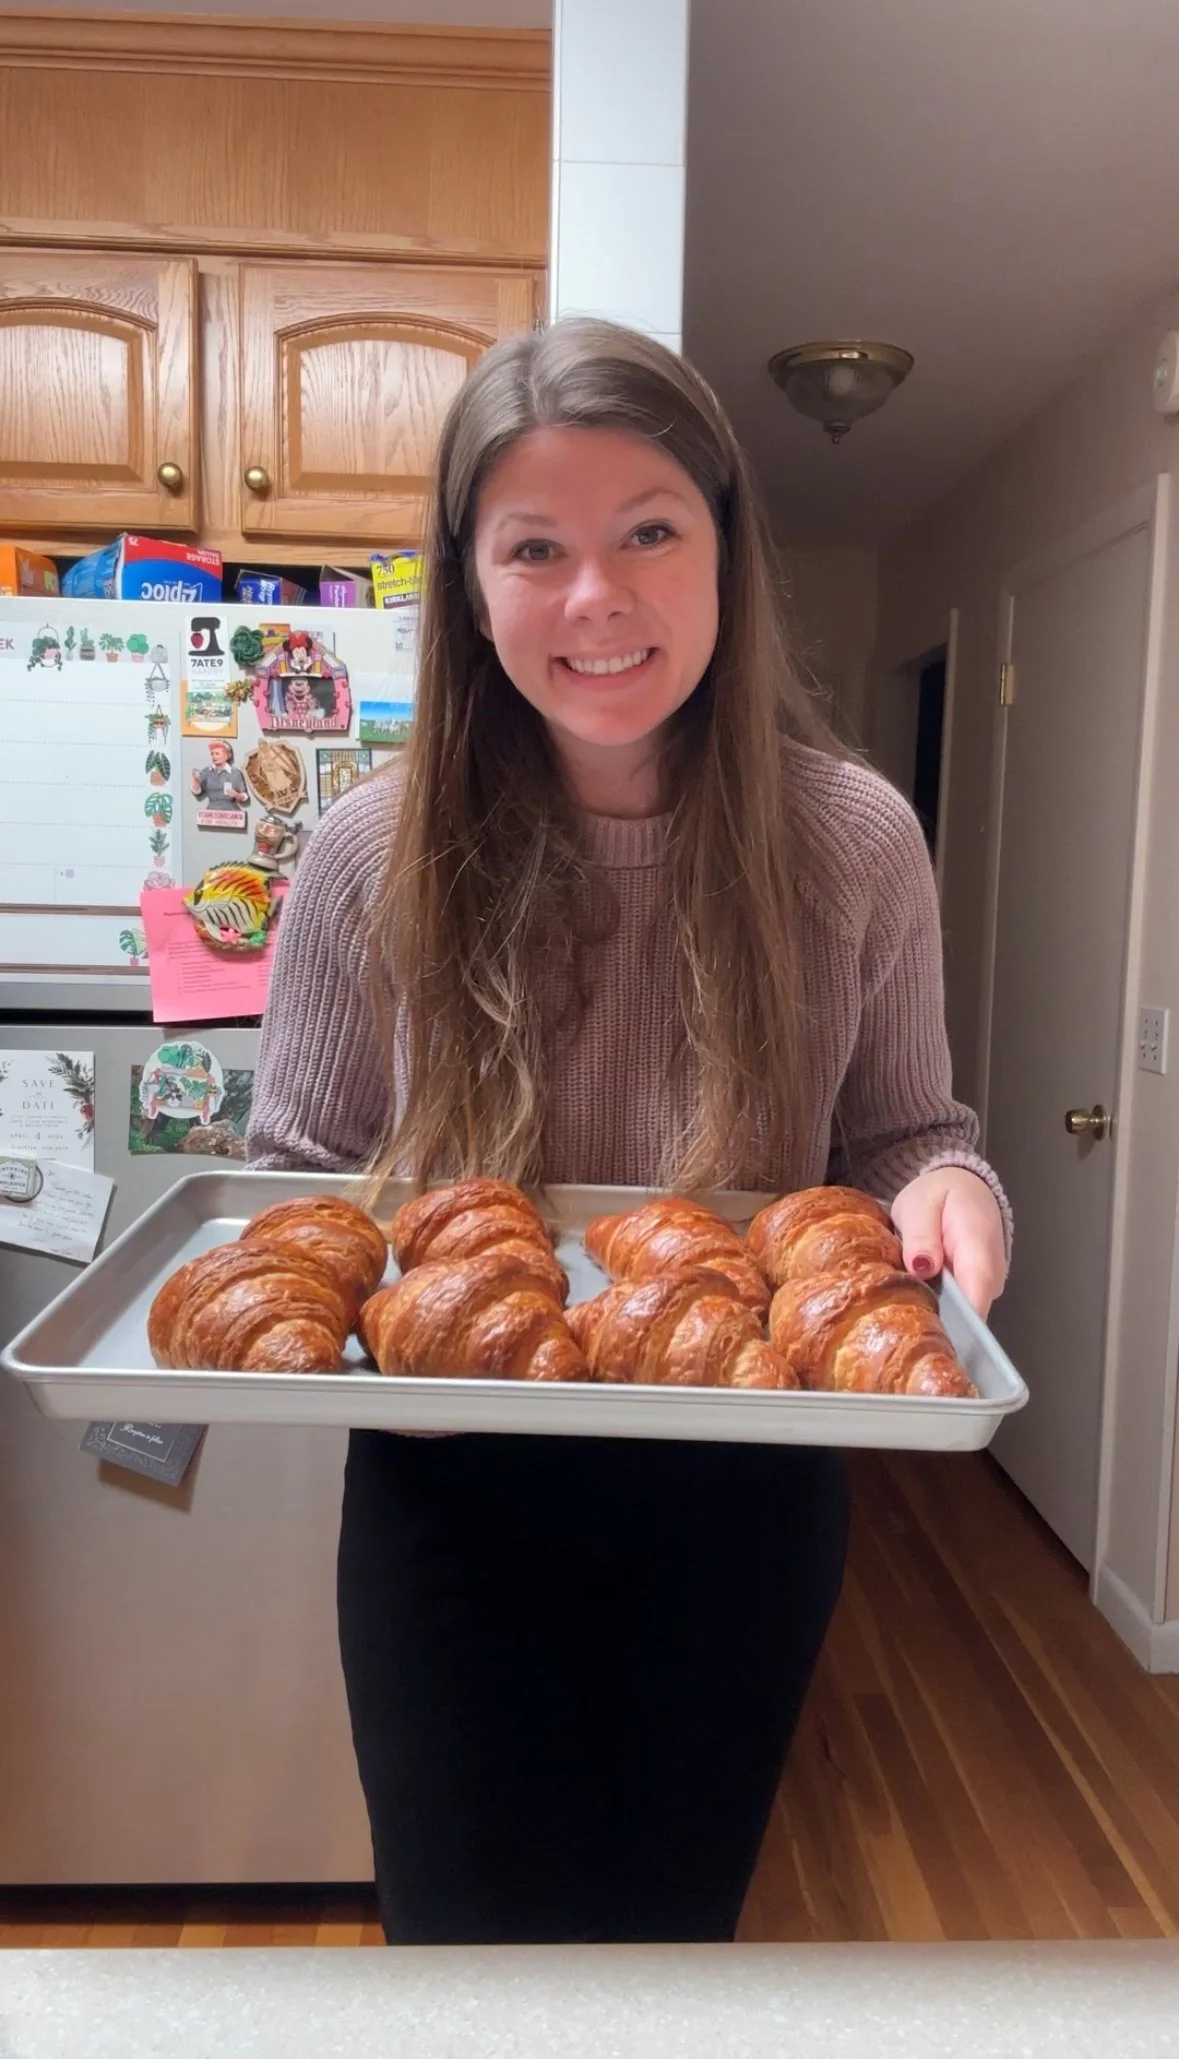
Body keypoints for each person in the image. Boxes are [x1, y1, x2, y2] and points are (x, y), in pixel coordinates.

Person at [247, 316, 1011, 1948]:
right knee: (459, 1958)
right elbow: (296, 1192)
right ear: (468, 584)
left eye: (647, 530)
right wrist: (380, 1365)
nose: (594, 596)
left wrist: (951, 1189)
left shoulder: (855, 842)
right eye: (535, 547)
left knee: (669, 1949)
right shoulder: (365, 856)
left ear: (727, 548)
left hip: (741, 1509)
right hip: (448, 1504)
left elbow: (905, 1133)